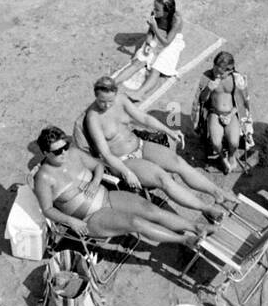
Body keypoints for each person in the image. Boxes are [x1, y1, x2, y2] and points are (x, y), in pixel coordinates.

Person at [82, 76, 236, 216]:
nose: (107, 105)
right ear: (96, 95)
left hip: (139, 144)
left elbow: (143, 118)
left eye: (110, 100)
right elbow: (106, 154)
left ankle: (216, 192)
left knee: (178, 163)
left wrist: (169, 130)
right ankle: (206, 209)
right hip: (123, 160)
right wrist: (126, 172)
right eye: (102, 101)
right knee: (163, 179)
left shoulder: (121, 100)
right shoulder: (93, 118)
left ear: (115, 94)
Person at [34, 127, 206, 247]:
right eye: (57, 152)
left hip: (107, 197)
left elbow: (98, 166)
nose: (63, 153)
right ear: (45, 153)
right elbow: (48, 209)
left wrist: (95, 182)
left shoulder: (74, 154)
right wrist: (71, 221)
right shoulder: (44, 177)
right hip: (90, 217)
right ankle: (184, 241)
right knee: (135, 222)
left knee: (151, 210)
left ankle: (194, 227)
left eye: (65, 147)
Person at [192, 52, 253, 172]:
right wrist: (209, 89)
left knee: (234, 142)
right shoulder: (207, 77)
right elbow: (201, 101)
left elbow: (241, 103)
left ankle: (231, 155)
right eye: (215, 70)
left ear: (229, 71)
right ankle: (222, 156)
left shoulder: (237, 79)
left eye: (220, 73)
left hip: (231, 113)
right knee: (215, 142)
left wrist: (230, 115)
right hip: (214, 113)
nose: (216, 74)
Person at [115, 0, 184, 98]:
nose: (154, 11)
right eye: (154, 8)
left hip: (171, 42)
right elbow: (150, 33)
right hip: (158, 37)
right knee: (139, 61)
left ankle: (139, 93)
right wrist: (148, 43)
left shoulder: (176, 20)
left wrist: (155, 27)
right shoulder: (155, 14)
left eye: (157, 9)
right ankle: (113, 83)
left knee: (157, 68)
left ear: (166, 12)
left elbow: (167, 42)